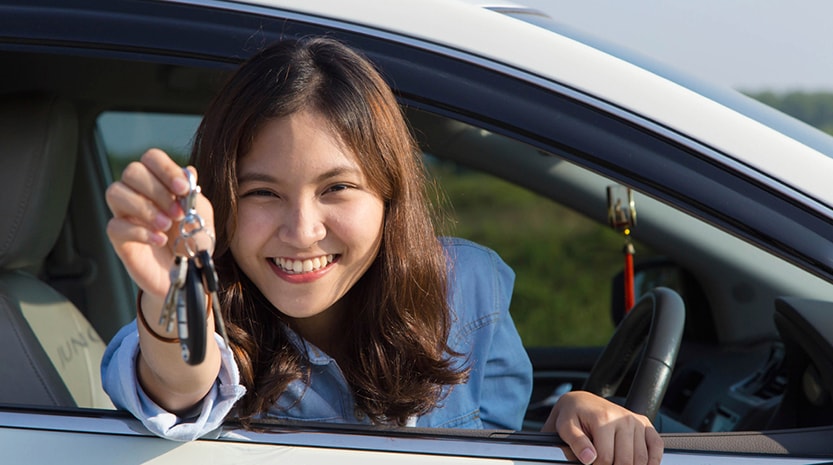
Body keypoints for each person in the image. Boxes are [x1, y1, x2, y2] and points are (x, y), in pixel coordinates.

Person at [102, 36, 662, 465]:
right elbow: (180, 382)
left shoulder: (469, 283)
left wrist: (569, 419)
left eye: (336, 189)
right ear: (221, 200)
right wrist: (177, 284)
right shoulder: (199, 310)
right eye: (262, 193)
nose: (301, 230)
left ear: (388, 193)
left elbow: (500, 442)